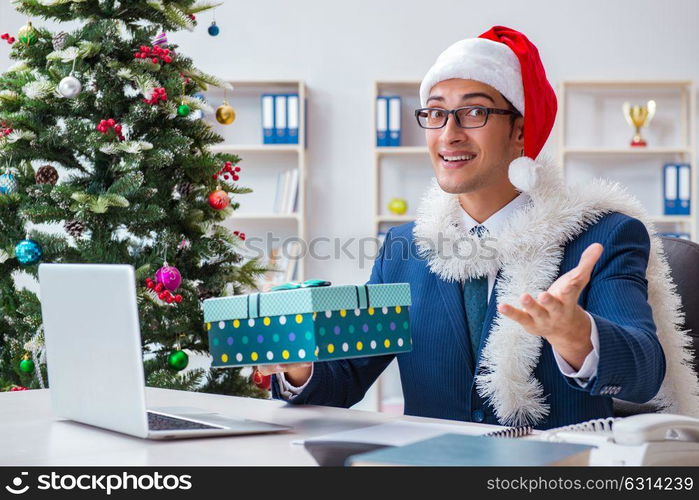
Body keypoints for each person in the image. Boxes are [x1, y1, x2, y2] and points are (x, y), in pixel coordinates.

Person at [258, 26, 699, 429]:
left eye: (473, 113)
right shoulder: (404, 248)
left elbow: (644, 373)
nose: (448, 134)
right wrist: (298, 363)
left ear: (520, 131)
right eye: (434, 113)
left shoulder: (604, 235)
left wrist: (577, 335)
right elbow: (346, 379)